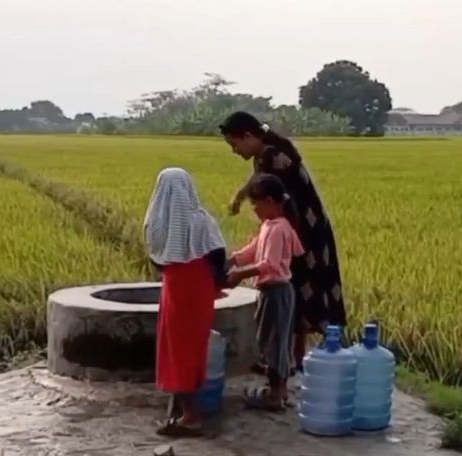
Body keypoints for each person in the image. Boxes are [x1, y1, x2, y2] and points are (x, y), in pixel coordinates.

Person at [219, 111, 347, 373]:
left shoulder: (271, 158)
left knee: (295, 290)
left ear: (248, 136)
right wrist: (240, 196)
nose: (234, 150)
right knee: (300, 291)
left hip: (303, 230)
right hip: (306, 229)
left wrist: (241, 269)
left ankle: (284, 362)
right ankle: (293, 360)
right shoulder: (269, 151)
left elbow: (269, 262)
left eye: (235, 144)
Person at [143, 167, 227, 437]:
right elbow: (218, 257)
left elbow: (157, 258)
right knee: (194, 346)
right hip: (200, 287)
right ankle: (187, 412)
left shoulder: (156, 223)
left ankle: (189, 415)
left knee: (175, 347)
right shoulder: (202, 220)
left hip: (176, 286)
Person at [228, 173, 305, 411]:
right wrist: (234, 259)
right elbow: (254, 250)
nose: (255, 210)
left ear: (270, 201)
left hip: (277, 292)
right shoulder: (271, 226)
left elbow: (269, 264)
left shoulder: (279, 229)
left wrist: (240, 274)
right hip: (272, 292)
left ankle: (277, 393)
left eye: (256, 204)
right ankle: (277, 389)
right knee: (269, 340)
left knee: (274, 343)